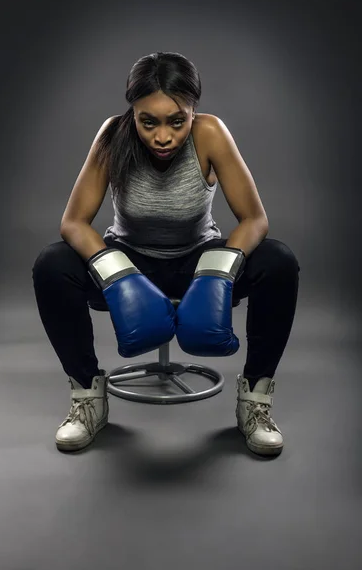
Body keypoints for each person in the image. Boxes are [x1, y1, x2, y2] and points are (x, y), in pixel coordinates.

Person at [32, 51, 300, 457]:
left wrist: (217, 273)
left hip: (198, 261)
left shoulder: (210, 133)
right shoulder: (112, 135)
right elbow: (74, 223)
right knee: (52, 264)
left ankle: (255, 402)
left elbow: (254, 220)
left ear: (193, 111)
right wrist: (117, 273)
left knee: (278, 261)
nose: (162, 137)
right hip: (128, 259)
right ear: (132, 112)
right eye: (148, 122)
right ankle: (87, 396)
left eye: (177, 121)